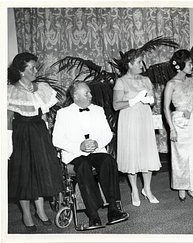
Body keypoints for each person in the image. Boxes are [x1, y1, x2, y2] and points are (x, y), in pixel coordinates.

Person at [52, 81, 129, 227]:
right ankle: (93, 214)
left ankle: (113, 209)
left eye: (90, 92)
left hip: (96, 151)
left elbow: (107, 134)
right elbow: (57, 140)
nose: (91, 95)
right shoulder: (63, 114)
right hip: (74, 154)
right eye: (86, 93)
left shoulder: (98, 110)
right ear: (75, 96)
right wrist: (79, 146)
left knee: (108, 161)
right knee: (83, 166)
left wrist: (97, 143)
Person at [7, 52, 64, 231]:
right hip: (21, 134)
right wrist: (8, 142)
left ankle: (40, 211)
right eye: (31, 67)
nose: (35, 70)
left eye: (35, 66)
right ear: (22, 71)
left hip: (40, 132)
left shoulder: (41, 87)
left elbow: (45, 113)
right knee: (24, 174)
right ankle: (26, 214)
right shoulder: (11, 91)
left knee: (40, 171)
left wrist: (47, 133)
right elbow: (8, 118)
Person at [113, 49, 161, 207]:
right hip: (129, 120)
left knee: (147, 153)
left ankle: (147, 188)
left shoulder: (146, 80)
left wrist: (150, 100)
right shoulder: (121, 81)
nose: (142, 65)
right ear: (130, 64)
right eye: (139, 62)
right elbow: (116, 105)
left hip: (145, 119)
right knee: (132, 154)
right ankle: (134, 189)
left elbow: (153, 101)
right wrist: (133, 101)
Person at [163, 49, 193, 203]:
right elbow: (166, 107)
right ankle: (181, 186)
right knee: (179, 156)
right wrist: (171, 129)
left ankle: (192, 188)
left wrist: (192, 111)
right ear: (180, 65)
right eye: (189, 63)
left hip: (192, 121)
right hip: (178, 122)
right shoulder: (171, 84)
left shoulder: (192, 81)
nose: (192, 65)